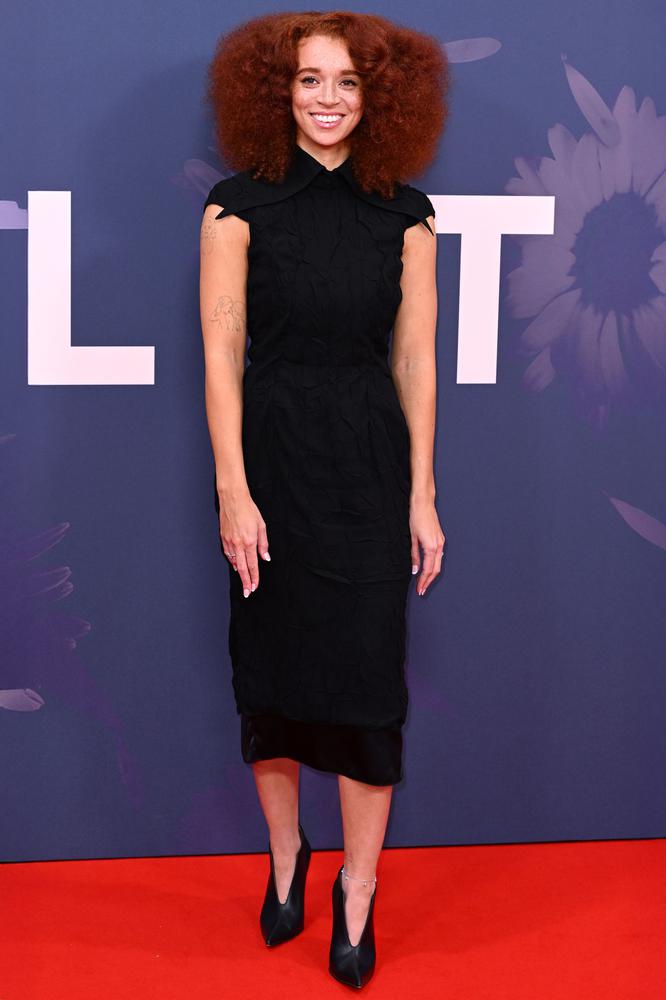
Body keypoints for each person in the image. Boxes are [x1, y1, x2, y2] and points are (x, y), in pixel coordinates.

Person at [199, 10, 449, 988]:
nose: (330, 98)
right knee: (273, 675)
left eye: (348, 81)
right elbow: (222, 352)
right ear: (279, 92)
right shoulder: (234, 208)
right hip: (270, 461)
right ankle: (286, 854)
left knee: (365, 684)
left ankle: (358, 886)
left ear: (378, 96)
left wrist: (422, 495)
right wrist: (233, 489)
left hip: (368, 466)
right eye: (310, 79)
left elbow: (415, 361)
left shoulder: (408, 217)